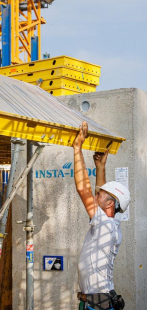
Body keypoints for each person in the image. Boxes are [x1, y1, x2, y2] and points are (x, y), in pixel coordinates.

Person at [73, 121, 130, 310]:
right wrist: (100, 167)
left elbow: (84, 189)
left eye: (99, 196)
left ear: (110, 204)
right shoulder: (109, 222)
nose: (95, 196)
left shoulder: (105, 224)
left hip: (97, 303)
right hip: (96, 301)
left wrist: (77, 148)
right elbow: (100, 193)